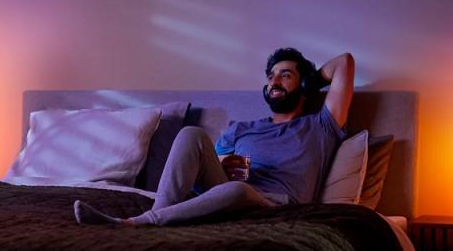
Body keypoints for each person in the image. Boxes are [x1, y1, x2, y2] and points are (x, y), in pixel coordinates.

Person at [74, 48, 355, 226]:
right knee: (192, 134)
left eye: (285, 75)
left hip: (273, 206)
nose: (274, 82)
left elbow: (344, 62)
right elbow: (208, 169)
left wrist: (312, 80)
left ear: (302, 84)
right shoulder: (242, 129)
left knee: (240, 190)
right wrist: (223, 165)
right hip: (226, 194)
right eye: (271, 76)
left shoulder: (320, 126)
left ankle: (138, 223)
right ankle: (161, 212)